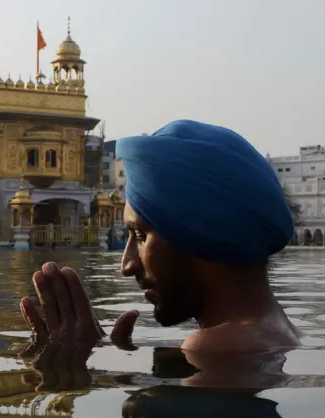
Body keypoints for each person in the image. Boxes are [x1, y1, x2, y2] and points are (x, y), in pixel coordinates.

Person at [19, 120, 300, 362]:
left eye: (141, 236)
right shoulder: (283, 331)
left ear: (199, 233)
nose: (127, 265)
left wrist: (71, 363)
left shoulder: (218, 347)